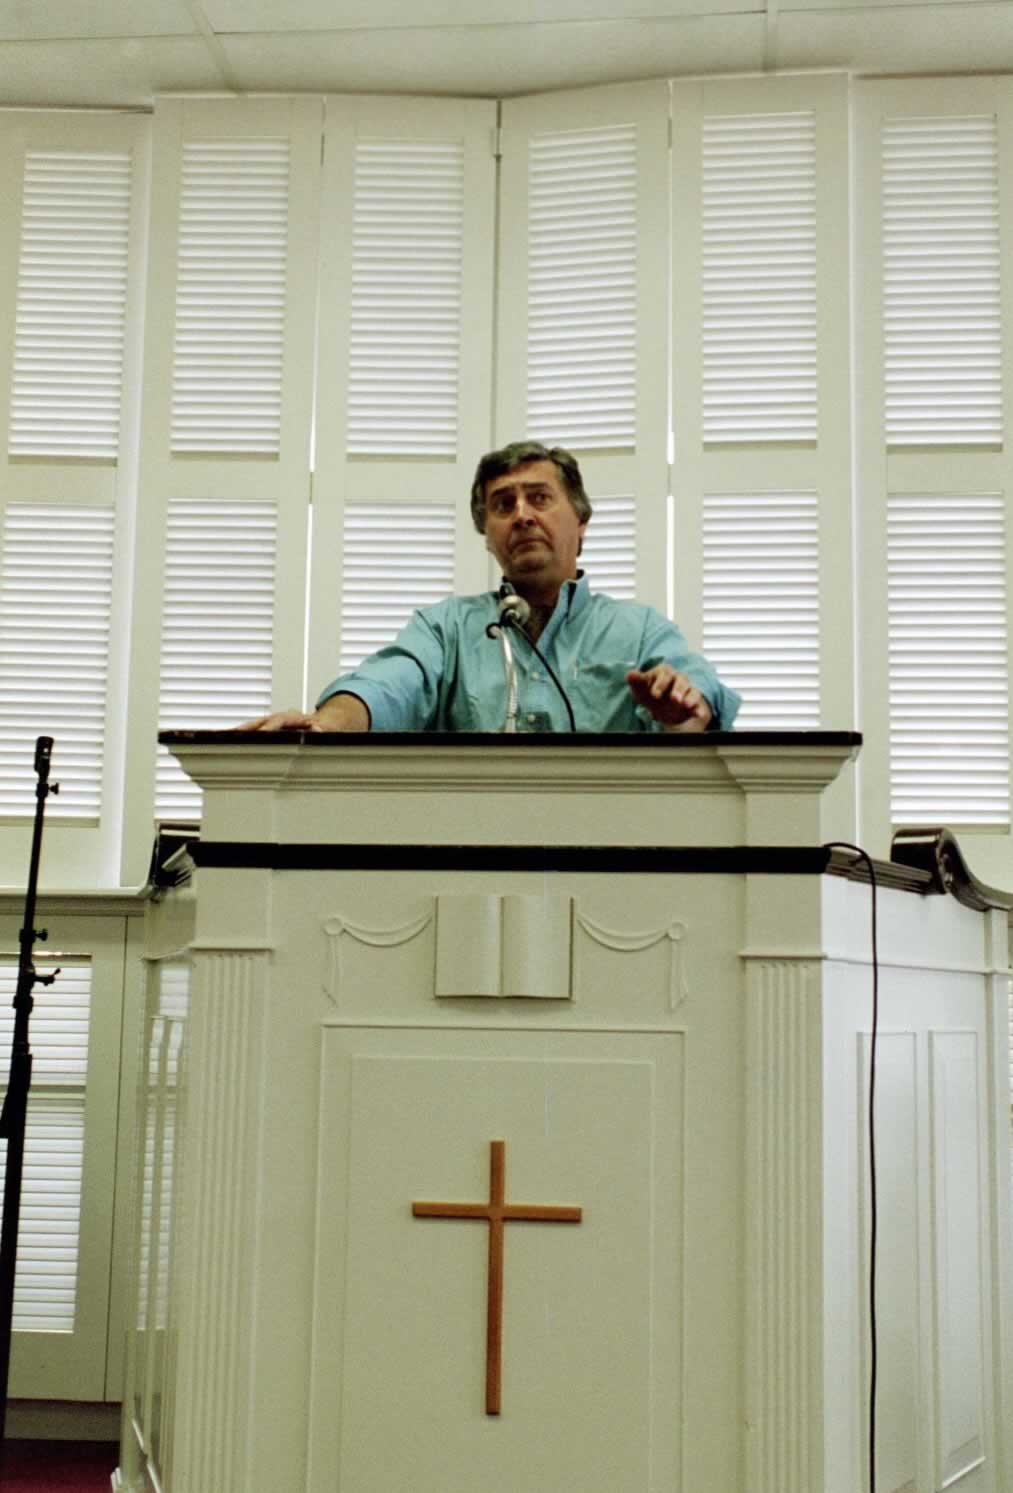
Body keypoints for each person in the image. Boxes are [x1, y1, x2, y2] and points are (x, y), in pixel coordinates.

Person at [242, 440, 740, 734]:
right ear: (488, 536)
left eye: (540, 498)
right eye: (503, 505)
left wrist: (685, 709)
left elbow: (696, 690)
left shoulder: (638, 629)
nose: (522, 515)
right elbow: (388, 685)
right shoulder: (445, 629)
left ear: (581, 522)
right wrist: (326, 725)